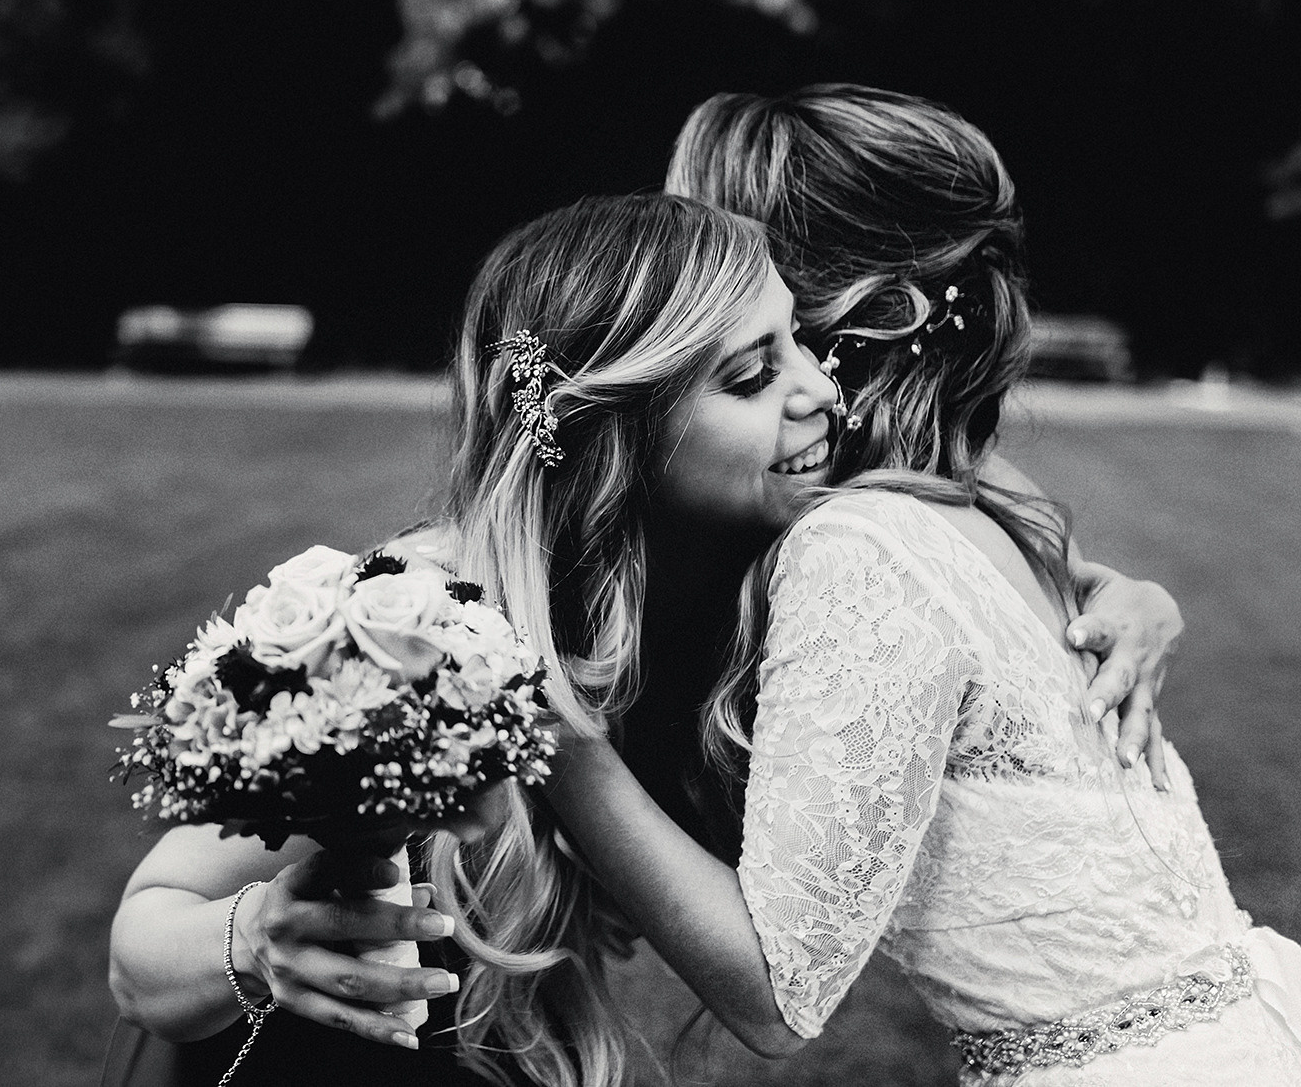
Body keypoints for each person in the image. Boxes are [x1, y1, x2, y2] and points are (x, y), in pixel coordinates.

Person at [107, 166, 1182, 1083]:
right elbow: (141, 943)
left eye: (798, 346)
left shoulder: (805, 571)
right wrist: (255, 941)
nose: (819, 394)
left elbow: (1008, 566)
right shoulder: (416, 620)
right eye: (753, 375)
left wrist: (1123, 597)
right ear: (616, 434)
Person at [436, 89, 1300, 1086]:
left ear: (840, 308)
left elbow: (775, 994)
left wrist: (543, 724)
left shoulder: (860, 546)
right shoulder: (967, 512)